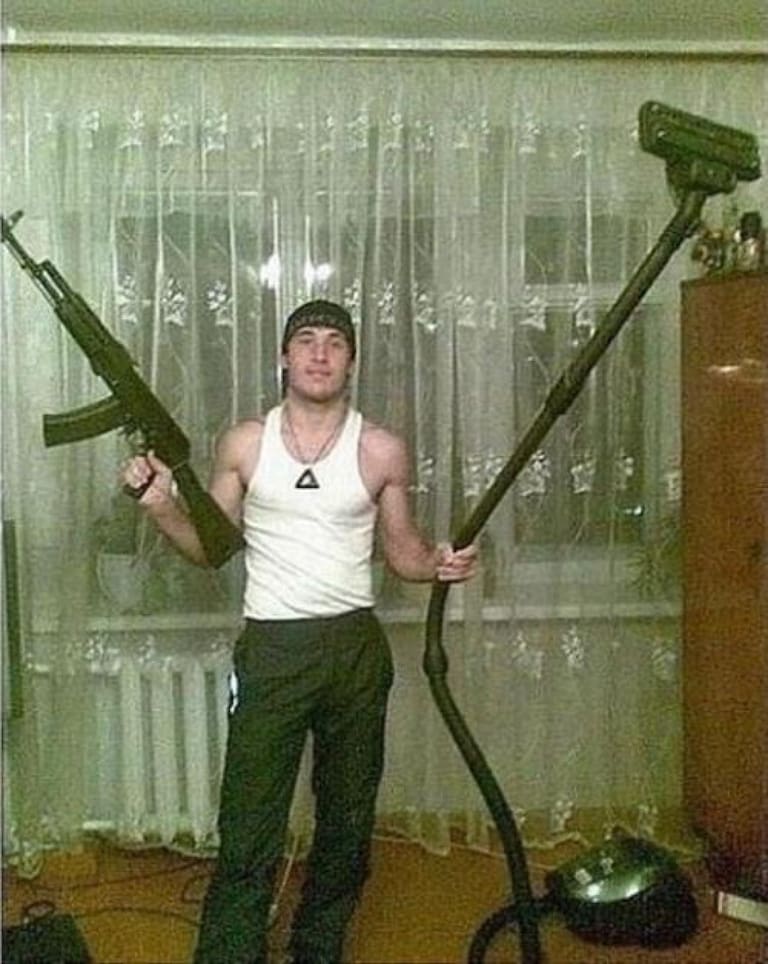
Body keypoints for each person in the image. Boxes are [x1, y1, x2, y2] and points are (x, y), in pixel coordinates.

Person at [123, 298, 477, 963]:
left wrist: (440, 562)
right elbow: (209, 549)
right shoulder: (245, 443)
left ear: (351, 361)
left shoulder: (380, 449)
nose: (319, 353)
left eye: (334, 342)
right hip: (272, 651)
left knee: (346, 821)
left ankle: (317, 948)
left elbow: (402, 553)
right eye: (306, 340)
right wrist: (161, 506)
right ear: (284, 357)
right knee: (249, 822)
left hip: (353, 649)